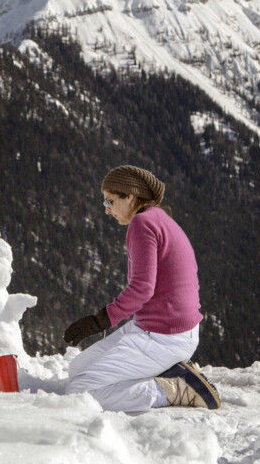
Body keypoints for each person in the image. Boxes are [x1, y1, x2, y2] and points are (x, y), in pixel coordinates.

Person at [63, 165, 220, 412]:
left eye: (110, 201)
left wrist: (99, 321)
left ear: (130, 197)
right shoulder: (159, 219)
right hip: (159, 329)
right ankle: (162, 371)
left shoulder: (142, 223)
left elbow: (141, 289)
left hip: (164, 337)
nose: (107, 209)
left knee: (79, 392)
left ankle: (173, 389)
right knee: (77, 370)